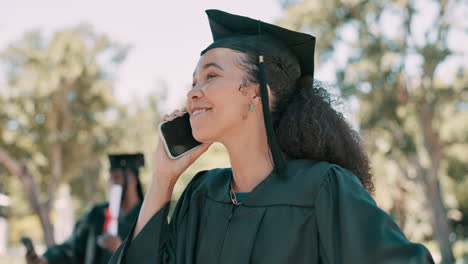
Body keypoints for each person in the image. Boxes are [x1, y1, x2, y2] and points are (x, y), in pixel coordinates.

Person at [110, 10, 435, 264]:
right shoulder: (201, 193)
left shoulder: (322, 188)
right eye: (193, 81)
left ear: (255, 93)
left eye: (210, 76)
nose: (193, 93)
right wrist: (162, 179)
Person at [26, 153, 145, 264]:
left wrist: (122, 251)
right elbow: (71, 249)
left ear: (133, 179)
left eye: (117, 177)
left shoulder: (147, 217)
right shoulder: (97, 215)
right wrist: (45, 260)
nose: (111, 183)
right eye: (110, 179)